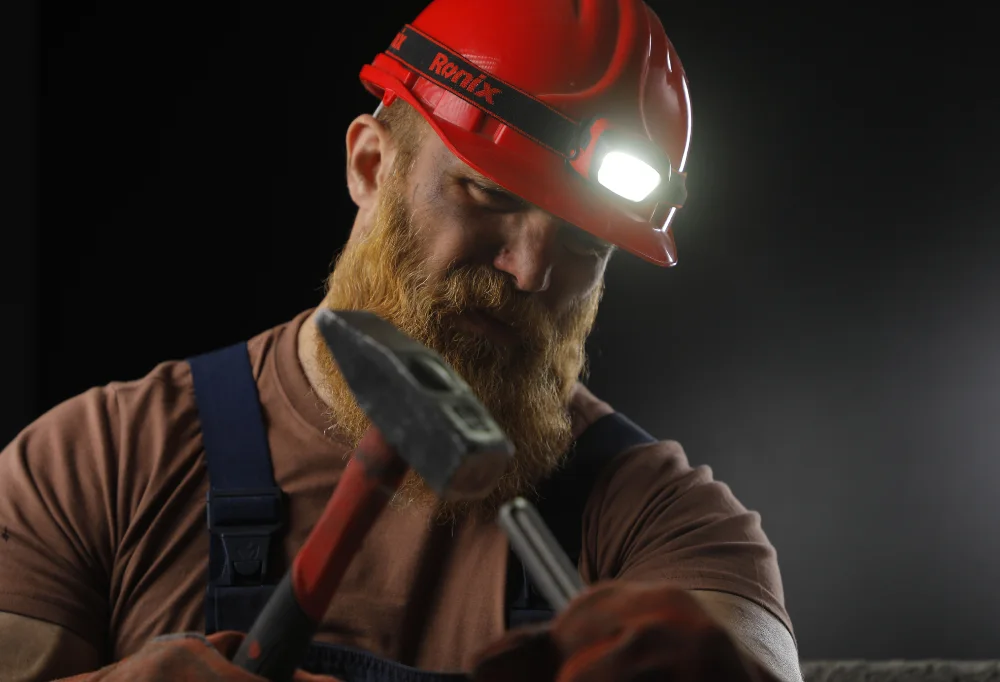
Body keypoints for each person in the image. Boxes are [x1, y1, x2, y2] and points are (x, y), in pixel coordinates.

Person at [0, 0, 803, 680]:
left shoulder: (667, 522)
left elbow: (747, 650)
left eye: (585, 246)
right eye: (485, 193)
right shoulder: (96, 464)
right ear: (370, 163)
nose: (529, 271)